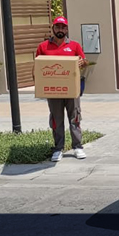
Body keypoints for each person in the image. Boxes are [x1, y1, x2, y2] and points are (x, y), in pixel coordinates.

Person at [35, 16, 88, 162]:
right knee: (56, 119)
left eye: (63, 27)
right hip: (53, 91)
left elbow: (84, 62)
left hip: (71, 90)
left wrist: (82, 63)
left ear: (67, 29)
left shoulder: (75, 46)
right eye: (57, 27)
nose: (60, 30)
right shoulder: (43, 47)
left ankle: (77, 146)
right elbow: (38, 66)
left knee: (75, 117)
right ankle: (58, 148)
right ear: (53, 28)